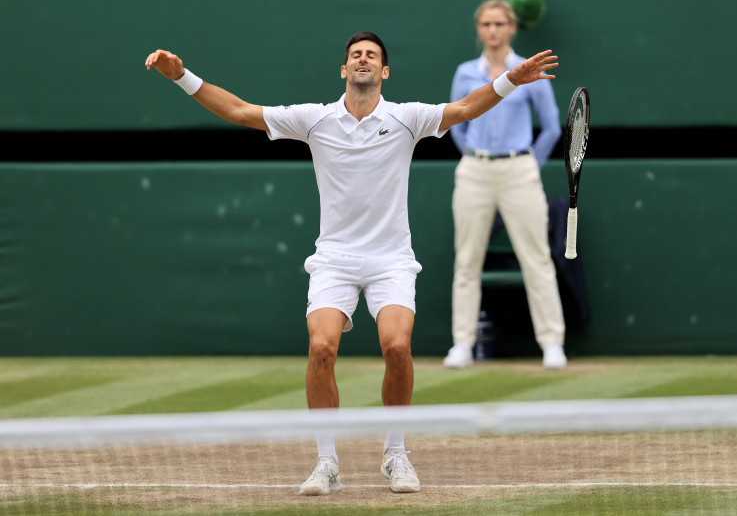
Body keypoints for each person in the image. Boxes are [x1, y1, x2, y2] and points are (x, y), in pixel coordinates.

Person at [145, 32, 558, 495]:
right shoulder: (315, 120)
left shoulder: (408, 118)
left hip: (391, 261)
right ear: (344, 70)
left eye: (372, 56)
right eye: (355, 55)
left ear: (383, 72)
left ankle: (395, 453)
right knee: (321, 348)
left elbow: (464, 108)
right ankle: (327, 462)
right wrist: (181, 76)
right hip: (334, 261)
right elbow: (241, 112)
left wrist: (509, 80)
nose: (363, 60)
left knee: (397, 347)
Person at [443, 0, 568, 370]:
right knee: (467, 260)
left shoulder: (528, 70)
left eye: (499, 24)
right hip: (474, 170)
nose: (493, 30)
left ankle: (552, 344)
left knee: (537, 258)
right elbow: (456, 120)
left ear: (512, 27)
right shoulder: (465, 72)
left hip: (520, 172)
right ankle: (462, 344)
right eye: (486, 24)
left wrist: (529, 161)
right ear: (478, 29)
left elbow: (551, 126)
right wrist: (472, 152)